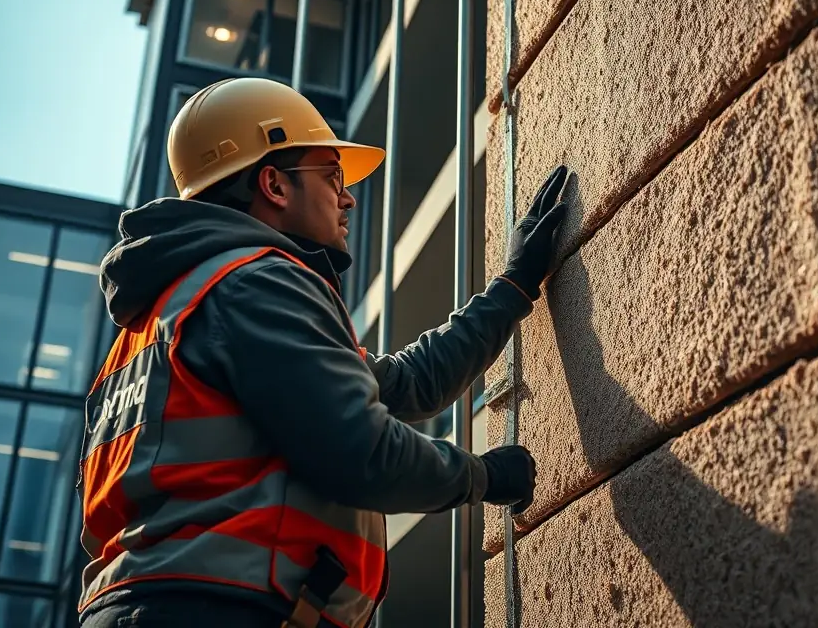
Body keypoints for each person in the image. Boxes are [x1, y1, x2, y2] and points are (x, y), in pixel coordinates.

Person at [77, 77, 569, 628]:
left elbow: (405, 386)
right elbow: (361, 450)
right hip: (218, 609)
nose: (349, 195)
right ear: (274, 185)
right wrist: (482, 476)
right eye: (331, 175)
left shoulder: (165, 320)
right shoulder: (255, 283)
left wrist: (514, 287)